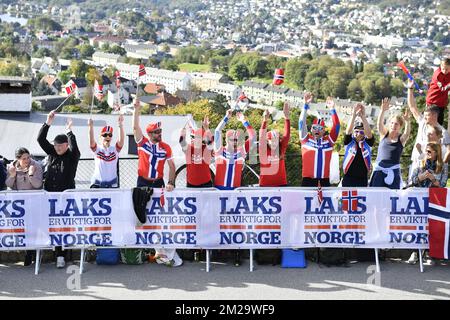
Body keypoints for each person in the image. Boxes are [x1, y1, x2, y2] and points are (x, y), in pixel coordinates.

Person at [132, 98, 182, 267]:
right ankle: (148, 249)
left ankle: (162, 252)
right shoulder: (143, 143)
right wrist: (136, 110)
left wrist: (171, 182)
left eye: (160, 131)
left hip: (158, 182)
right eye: (156, 132)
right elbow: (135, 128)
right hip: (142, 181)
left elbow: (172, 165)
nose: (159, 134)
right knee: (141, 214)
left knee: (160, 215)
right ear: (150, 134)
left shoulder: (166, 147)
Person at [37, 111, 80, 268]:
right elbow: (40, 139)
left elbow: (75, 148)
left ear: (66, 145)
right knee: (51, 225)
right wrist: (48, 122)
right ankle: (49, 251)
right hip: (50, 195)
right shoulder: (52, 153)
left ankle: (61, 254)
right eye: (55, 145)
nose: (57, 148)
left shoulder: (72, 156)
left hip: (65, 197)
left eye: (60, 145)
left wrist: (69, 131)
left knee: (63, 225)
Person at [214, 108, 256, 266]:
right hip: (219, 191)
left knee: (235, 223)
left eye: (237, 140)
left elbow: (252, 136)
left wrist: (243, 120)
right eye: (232, 140)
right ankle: (218, 251)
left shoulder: (241, 152)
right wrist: (226, 118)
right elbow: (217, 131)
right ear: (226, 141)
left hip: (235, 192)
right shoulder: (219, 151)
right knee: (220, 222)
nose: (235, 142)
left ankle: (236, 253)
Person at [408, 142, 448, 266]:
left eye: (429, 151)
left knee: (434, 226)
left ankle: (431, 253)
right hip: (419, 199)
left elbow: (442, 184)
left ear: (436, 153)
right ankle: (416, 252)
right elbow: (412, 181)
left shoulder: (443, 166)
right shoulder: (420, 164)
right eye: (426, 151)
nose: (427, 153)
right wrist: (420, 177)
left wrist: (432, 179)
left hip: (434, 200)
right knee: (418, 225)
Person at [5, 147, 43, 266]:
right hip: (20, 204)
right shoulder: (12, 167)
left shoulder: (35, 165)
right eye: (24, 158)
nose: (27, 160)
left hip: (34, 202)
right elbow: (9, 185)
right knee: (22, 228)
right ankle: (28, 250)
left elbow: (38, 185)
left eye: (28, 157)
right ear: (18, 159)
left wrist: (31, 174)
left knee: (34, 227)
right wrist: (12, 176)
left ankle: (33, 252)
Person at [408, 79, 450, 181]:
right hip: (417, 164)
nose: (425, 117)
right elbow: (412, 107)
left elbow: (447, 152)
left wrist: (441, 168)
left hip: (433, 168)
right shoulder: (422, 122)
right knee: (412, 189)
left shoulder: (443, 132)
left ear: (435, 116)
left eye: (427, 116)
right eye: (425, 115)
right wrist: (410, 89)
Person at [299, 93, 340, 187]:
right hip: (307, 181)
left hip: (324, 181)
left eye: (320, 128)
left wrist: (332, 109)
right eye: (315, 128)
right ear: (311, 129)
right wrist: (305, 105)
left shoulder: (328, 141)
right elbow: (301, 122)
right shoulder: (305, 139)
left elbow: (337, 126)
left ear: (324, 131)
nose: (317, 130)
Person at [369, 98, 411, 189]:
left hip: (393, 171)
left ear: (400, 126)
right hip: (379, 170)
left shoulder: (401, 139)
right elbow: (379, 124)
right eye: (392, 123)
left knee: (392, 197)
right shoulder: (384, 134)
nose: (393, 126)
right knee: (375, 194)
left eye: (396, 124)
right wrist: (382, 111)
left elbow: (407, 133)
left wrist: (407, 121)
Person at [342, 103, 374, 187]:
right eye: (356, 131)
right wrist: (354, 115)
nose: (358, 133)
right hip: (348, 177)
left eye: (361, 131)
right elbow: (348, 131)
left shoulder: (367, 143)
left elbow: (369, 134)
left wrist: (363, 117)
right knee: (347, 200)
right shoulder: (349, 141)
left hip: (362, 178)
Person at [259, 102, 290, 187]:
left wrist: (287, 118)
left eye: (275, 140)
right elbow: (261, 135)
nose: (274, 142)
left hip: (281, 184)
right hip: (265, 185)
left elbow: (286, 135)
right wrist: (264, 120)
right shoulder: (263, 150)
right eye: (271, 140)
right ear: (267, 141)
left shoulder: (281, 148)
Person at [88, 115, 124, 188]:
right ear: (100, 137)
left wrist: (120, 125)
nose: (107, 136)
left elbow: (121, 141)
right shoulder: (97, 149)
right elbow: (91, 142)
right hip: (97, 183)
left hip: (112, 183)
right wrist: (90, 126)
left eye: (110, 135)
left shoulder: (114, 150)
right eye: (105, 135)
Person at [179, 115, 214, 188]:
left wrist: (206, 128)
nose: (196, 139)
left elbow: (210, 142)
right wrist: (182, 135)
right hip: (191, 184)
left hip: (206, 184)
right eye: (194, 137)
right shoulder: (189, 148)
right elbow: (182, 142)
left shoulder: (206, 148)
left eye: (199, 138)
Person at [425, 57, 450, 125]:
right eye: (443, 69)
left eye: (447, 69)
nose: (444, 71)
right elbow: (442, 88)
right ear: (440, 67)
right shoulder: (438, 74)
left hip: (441, 102)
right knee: (429, 122)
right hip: (432, 101)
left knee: (439, 125)